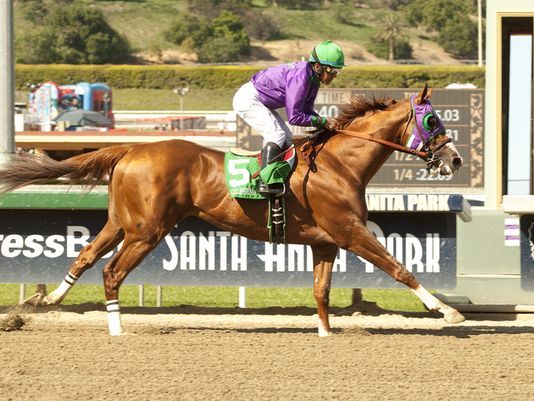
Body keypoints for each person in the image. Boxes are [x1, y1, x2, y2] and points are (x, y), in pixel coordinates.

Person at [233, 40, 345, 195]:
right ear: (318, 67)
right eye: (331, 70)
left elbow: (306, 111)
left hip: (261, 101)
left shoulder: (313, 79)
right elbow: (295, 117)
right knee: (276, 135)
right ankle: (264, 182)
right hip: (249, 99)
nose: (334, 75)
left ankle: (281, 178)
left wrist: (323, 122)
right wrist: (322, 121)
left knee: (286, 137)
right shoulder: (301, 78)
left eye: (337, 71)